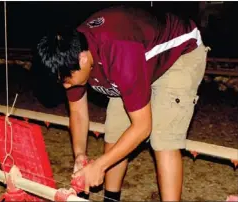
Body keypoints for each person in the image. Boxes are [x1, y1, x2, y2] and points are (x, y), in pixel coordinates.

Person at [37, 6, 209, 201]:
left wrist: (99, 166)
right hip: (138, 59)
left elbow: (143, 126)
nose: (66, 86)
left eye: (67, 80)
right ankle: (111, 199)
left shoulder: (119, 52)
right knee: (115, 131)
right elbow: (77, 112)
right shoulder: (71, 54)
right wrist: (79, 155)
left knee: (163, 137)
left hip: (180, 53)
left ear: (83, 59)